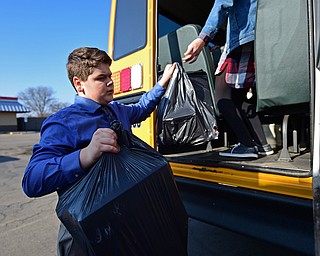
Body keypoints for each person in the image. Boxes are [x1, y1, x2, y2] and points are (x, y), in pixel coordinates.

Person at [21, 47, 176, 255]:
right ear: (79, 84)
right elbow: (32, 180)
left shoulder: (117, 110)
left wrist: (162, 82)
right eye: (101, 78)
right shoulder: (63, 122)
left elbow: (141, 109)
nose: (111, 82)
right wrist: (84, 156)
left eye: (110, 75)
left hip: (128, 221)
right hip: (87, 232)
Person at [182, 0, 273, 158]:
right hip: (258, 35)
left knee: (222, 96)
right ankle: (262, 145)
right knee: (239, 97)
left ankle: (247, 145)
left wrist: (202, 38)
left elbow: (223, 2)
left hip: (242, 38)